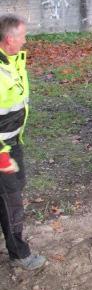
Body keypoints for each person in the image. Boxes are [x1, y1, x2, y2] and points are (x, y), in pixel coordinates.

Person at [0, 14, 46, 270]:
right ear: (9, 40)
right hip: (1, 149)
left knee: (16, 186)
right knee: (11, 197)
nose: (26, 40)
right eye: (22, 36)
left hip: (13, 141)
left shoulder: (13, 62)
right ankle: (18, 253)